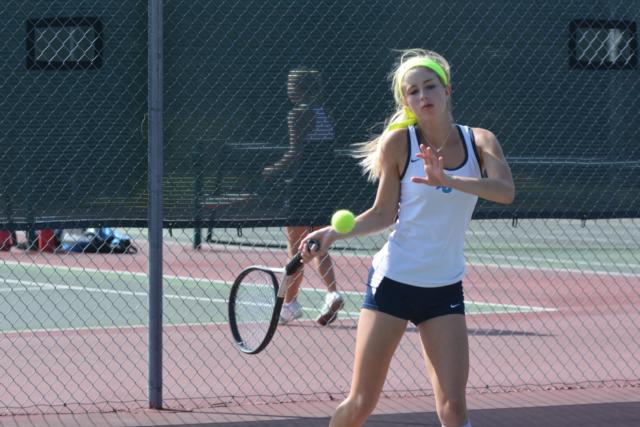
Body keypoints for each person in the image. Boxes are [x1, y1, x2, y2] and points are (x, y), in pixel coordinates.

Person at [300, 49, 515, 427]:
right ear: (406, 101)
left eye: (430, 86)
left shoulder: (480, 141)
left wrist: (447, 178)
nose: (423, 96)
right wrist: (331, 234)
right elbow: (383, 214)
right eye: (412, 92)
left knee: (453, 406)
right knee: (362, 401)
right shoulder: (399, 143)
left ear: (448, 89)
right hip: (393, 285)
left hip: (444, 287)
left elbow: (504, 191)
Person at [263, 68, 344, 326]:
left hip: (302, 185)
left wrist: (270, 170)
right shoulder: (326, 114)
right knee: (320, 244)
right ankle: (332, 294)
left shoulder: (297, 114)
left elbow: (295, 153)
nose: (288, 90)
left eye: (291, 85)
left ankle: (289, 304)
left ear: (298, 89)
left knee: (295, 245)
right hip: (324, 185)